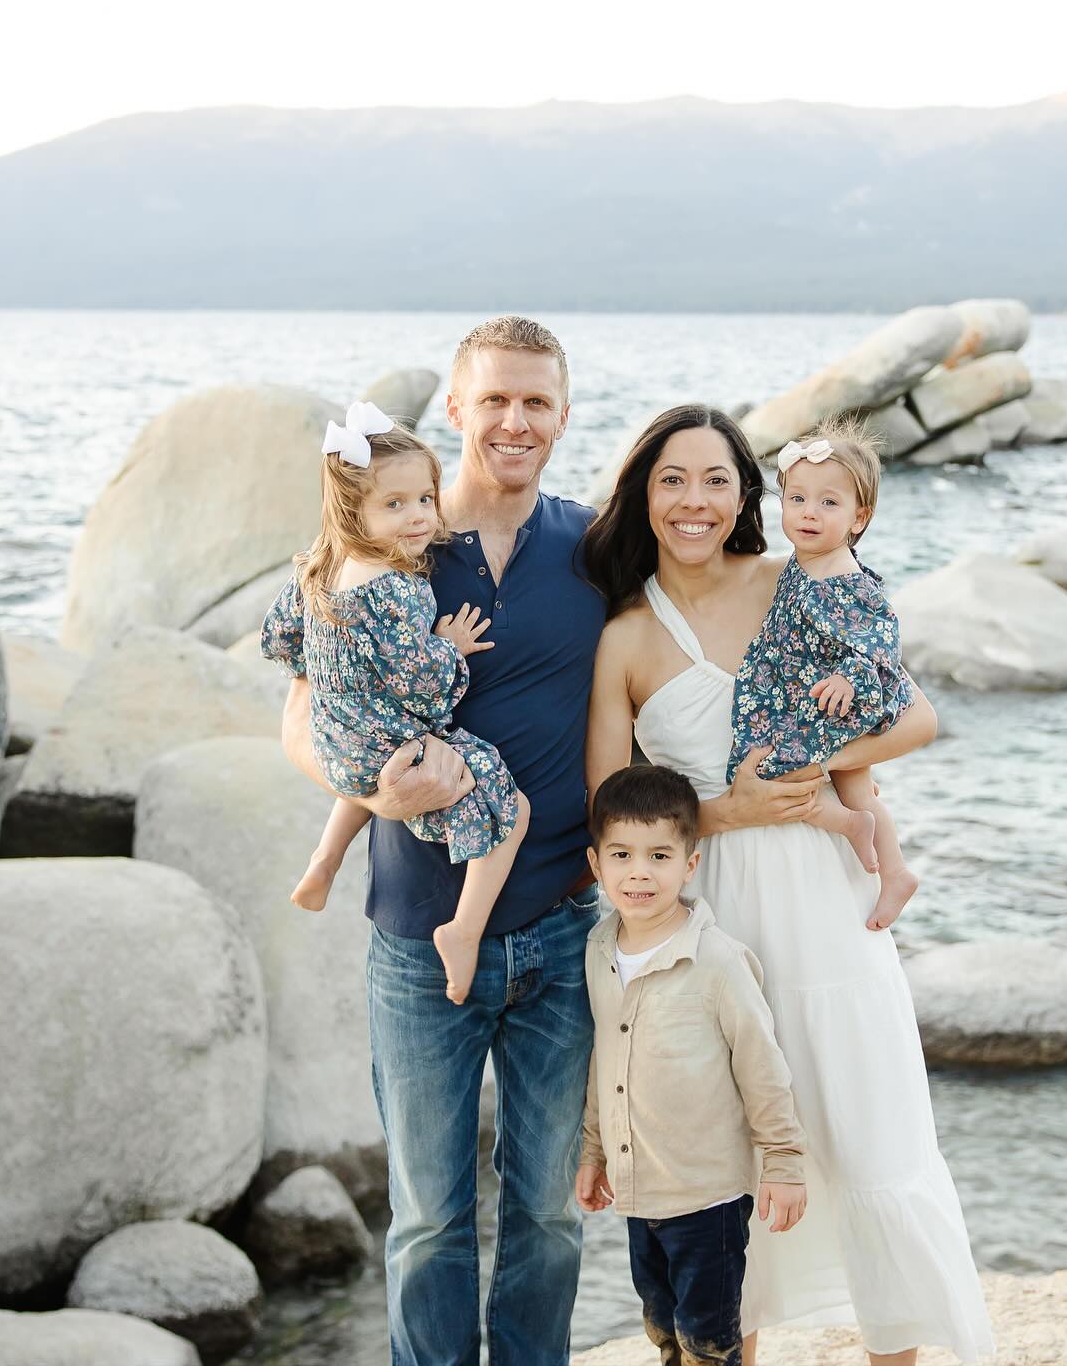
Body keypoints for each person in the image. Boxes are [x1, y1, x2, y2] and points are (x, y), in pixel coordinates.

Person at [583, 404, 994, 1366]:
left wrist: (809, 768)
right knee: (726, 1146)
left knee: (866, 1121)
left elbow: (917, 717)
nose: (694, 501)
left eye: (716, 479)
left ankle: (902, 1348)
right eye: (673, 479)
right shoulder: (627, 637)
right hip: (712, 902)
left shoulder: (795, 582)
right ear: (646, 493)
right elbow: (607, 802)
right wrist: (724, 811)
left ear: (745, 495)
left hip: (824, 892)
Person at [278, 317, 606, 1366]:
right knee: (427, 1220)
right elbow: (300, 706)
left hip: (562, 931)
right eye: (495, 399)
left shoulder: (593, 547)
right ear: (456, 410)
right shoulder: (387, 545)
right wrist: (363, 785)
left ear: (562, 416)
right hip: (417, 940)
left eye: (537, 402)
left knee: (549, 1218)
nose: (516, 421)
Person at [259, 402, 529, 1004]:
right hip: (389, 745)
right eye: (394, 504)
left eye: (425, 500)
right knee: (513, 810)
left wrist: (330, 677)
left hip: (338, 744)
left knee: (368, 778)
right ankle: (464, 929)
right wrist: (449, 647)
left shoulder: (318, 569)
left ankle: (325, 863)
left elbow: (277, 635)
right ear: (354, 512)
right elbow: (423, 687)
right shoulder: (400, 590)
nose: (417, 517)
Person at [576, 763, 807, 1366]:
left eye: (659, 855)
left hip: (707, 1196)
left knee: (709, 1338)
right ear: (596, 864)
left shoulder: (717, 962)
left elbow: (762, 1067)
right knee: (661, 1326)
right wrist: (593, 1153)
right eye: (622, 854)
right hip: (638, 1189)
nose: (640, 872)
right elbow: (605, 1061)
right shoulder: (600, 949)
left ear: (690, 863)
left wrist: (782, 1160)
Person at [728, 420, 919, 931]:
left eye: (829, 504)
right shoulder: (801, 562)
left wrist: (852, 678)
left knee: (774, 770)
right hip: (806, 692)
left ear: (860, 518)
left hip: (835, 698)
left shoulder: (844, 577)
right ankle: (892, 867)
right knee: (857, 785)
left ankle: (857, 833)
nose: (809, 513)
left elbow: (880, 634)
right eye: (797, 499)